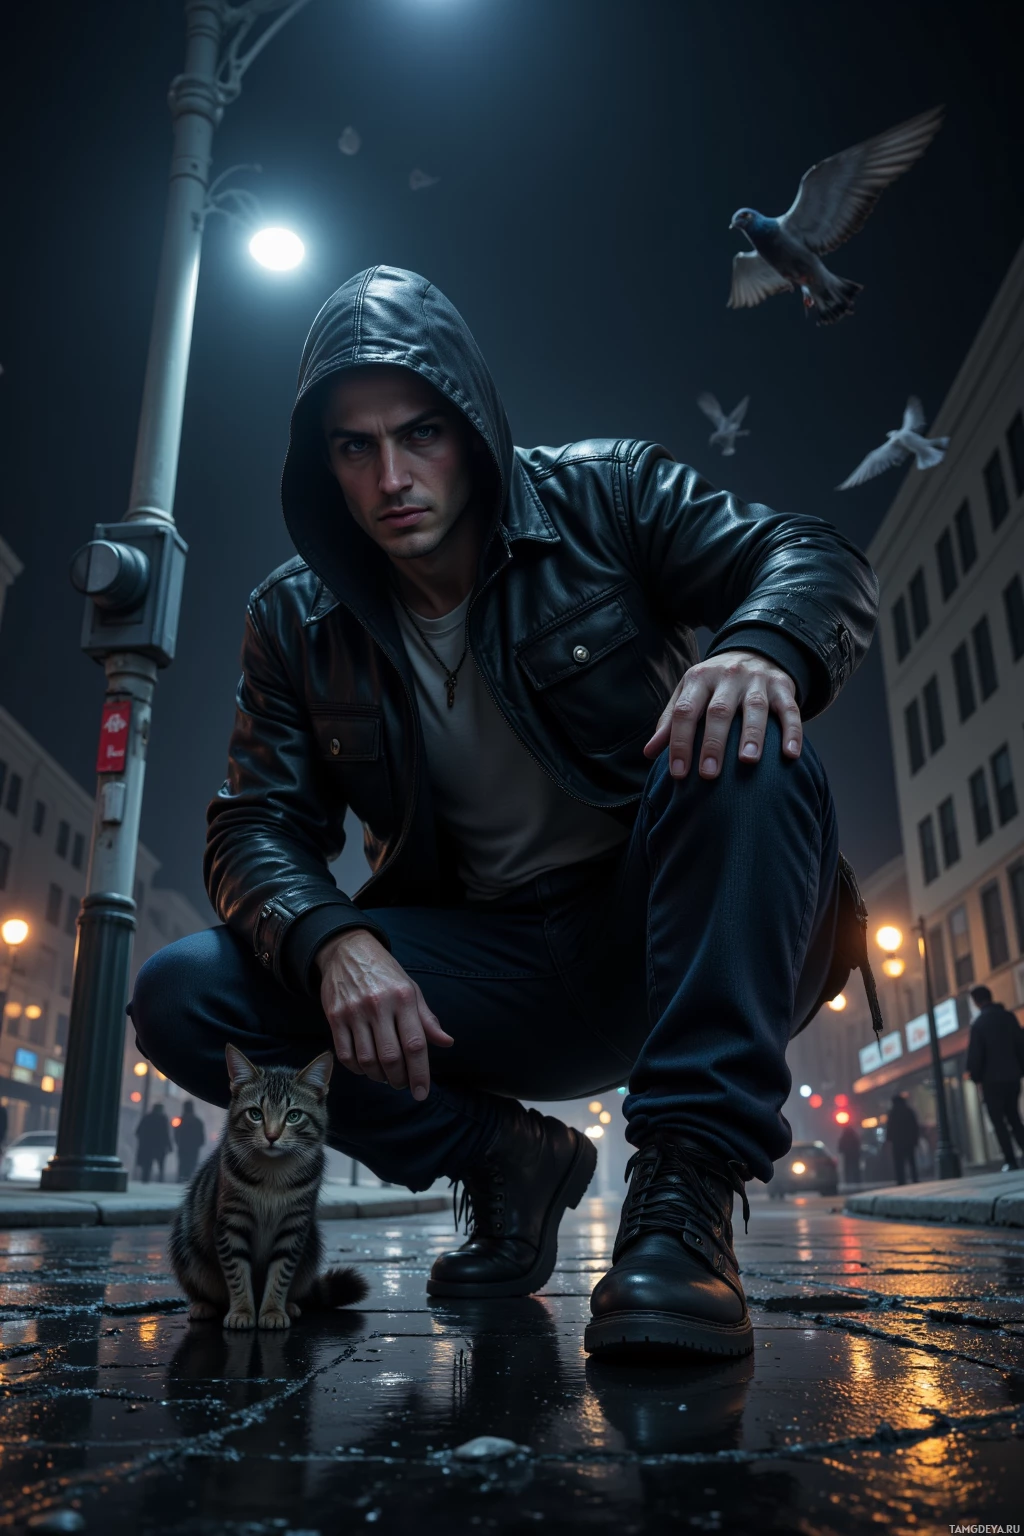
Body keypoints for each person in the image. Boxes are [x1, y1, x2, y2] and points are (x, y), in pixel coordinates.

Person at [129, 265, 877, 1363]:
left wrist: (763, 647)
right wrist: (332, 941)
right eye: (354, 447)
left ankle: (684, 1197)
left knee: (742, 735)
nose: (392, 477)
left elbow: (811, 554)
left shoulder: (604, 496)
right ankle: (504, 1157)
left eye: (420, 434)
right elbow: (255, 825)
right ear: (320, 463)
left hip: (671, 930)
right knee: (184, 992)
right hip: (486, 980)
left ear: (471, 423)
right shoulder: (293, 618)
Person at [966, 985, 1024, 1170]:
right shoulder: (1008, 1017)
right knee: (1014, 1117)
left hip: (991, 1081)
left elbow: (976, 1056)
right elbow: (1020, 1044)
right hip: (1012, 1077)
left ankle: (1010, 1160)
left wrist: (976, 1077)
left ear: (976, 1002)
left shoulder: (979, 1024)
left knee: (998, 1122)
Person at [885, 1094, 920, 1185]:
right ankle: (914, 1178)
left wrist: (889, 1140)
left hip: (897, 1143)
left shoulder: (893, 1113)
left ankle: (901, 1181)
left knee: (899, 1164)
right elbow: (914, 1127)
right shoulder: (908, 1111)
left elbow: (890, 1128)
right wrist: (915, 1140)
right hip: (909, 1142)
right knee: (912, 1162)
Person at [135, 1102, 172, 1184]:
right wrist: (169, 1146)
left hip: (148, 1146)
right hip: (160, 1146)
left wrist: (143, 1141)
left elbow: (138, 1132)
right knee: (161, 1165)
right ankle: (160, 1180)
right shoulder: (163, 1119)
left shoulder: (147, 1118)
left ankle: (145, 1180)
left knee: (147, 1165)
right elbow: (166, 1133)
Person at [173, 1100, 206, 1182]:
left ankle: (181, 1178)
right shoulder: (197, 1121)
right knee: (191, 1163)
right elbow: (201, 1135)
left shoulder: (179, 1120)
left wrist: (178, 1142)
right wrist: (200, 1143)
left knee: (183, 1163)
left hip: (183, 1145)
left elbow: (176, 1133)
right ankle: (187, 1179)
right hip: (193, 1147)